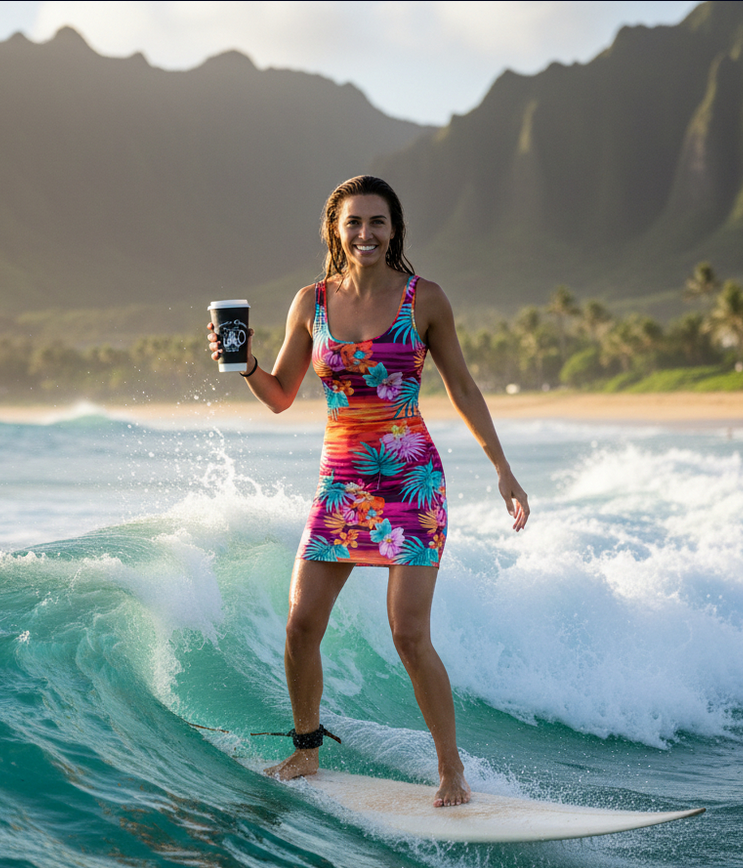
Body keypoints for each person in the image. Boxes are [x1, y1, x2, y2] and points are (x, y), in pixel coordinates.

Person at [208, 175, 529, 807]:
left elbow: (462, 387)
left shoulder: (425, 299)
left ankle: (450, 770)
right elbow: (279, 396)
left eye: (377, 222)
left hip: (411, 483)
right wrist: (243, 365)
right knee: (301, 625)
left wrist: (503, 470)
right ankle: (305, 750)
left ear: (394, 229)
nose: (366, 234)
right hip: (341, 486)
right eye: (354, 223)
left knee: (409, 634)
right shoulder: (311, 303)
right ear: (335, 228)